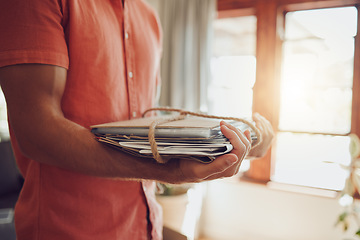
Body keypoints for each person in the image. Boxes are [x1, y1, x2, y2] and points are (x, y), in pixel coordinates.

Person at [0, 0, 274, 239]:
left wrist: (233, 143)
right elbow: (36, 131)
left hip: (145, 226)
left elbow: (147, 121)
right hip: (68, 231)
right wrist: (170, 171)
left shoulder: (150, 18)